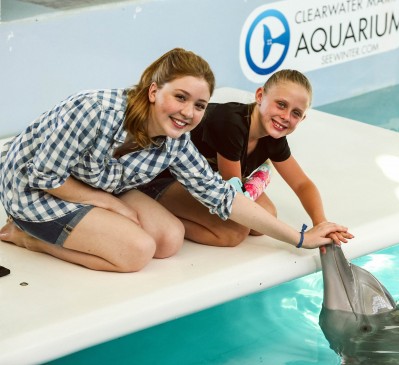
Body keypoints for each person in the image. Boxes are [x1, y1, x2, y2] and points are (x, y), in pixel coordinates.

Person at [0, 48, 350, 273]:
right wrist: (108, 203)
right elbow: (46, 175)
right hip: (35, 188)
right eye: (180, 97)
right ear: (154, 91)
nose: (188, 112)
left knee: (168, 240)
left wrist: (301, 238)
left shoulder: (177, 141)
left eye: (199, 105)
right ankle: (26, 236)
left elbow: (223, 196)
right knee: (136, 252)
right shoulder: (96, 110)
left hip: (99, 181)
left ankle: (95, 217)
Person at [146, 69, 353, 247]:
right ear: (260, 96)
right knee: (234, 232)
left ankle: (188, 213)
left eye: (296, 113)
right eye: (281, 104)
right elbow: (235, 199)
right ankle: (164, 215)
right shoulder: (231, 124)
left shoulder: (273, 134)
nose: (285, 116)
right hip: (164, 176)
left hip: (208, 180)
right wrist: (301, 238)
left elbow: (302, 184)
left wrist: (321, 223)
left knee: (267, 216)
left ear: (303, 118)